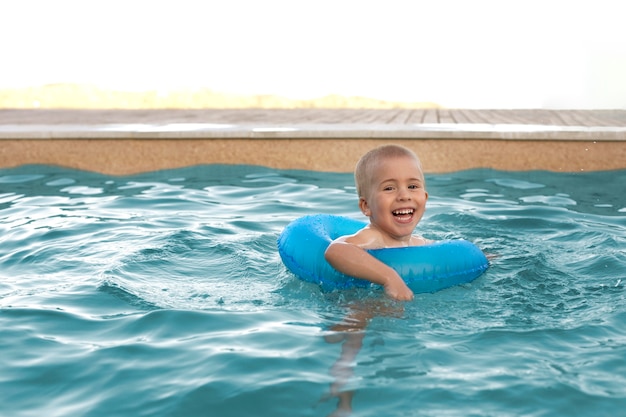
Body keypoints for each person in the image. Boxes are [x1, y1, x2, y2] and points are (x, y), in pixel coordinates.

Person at [324, 144, 429, 301]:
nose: (404, 195)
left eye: (412, 186)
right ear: (366, 206)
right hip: (357, 300)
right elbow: (336, 250)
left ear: (425, 198)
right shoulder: (374, 237)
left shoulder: (419, 242)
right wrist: (389, 278)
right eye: (389, 188)